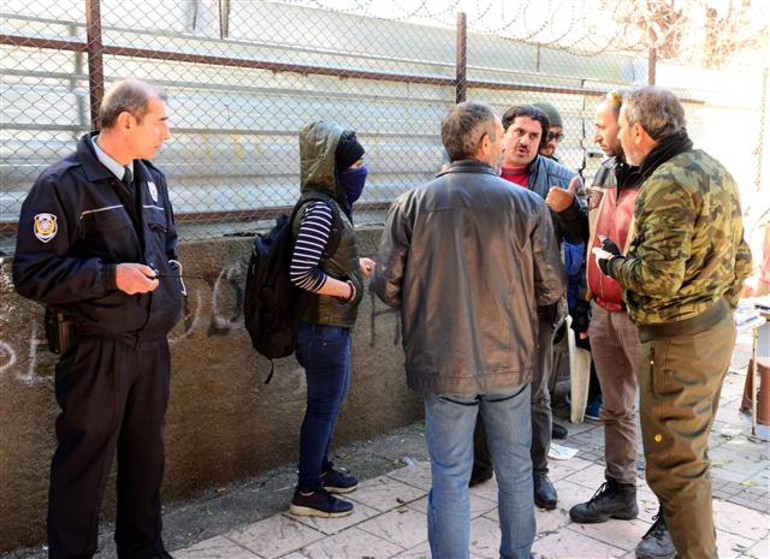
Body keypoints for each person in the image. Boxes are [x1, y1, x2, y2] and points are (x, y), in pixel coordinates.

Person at [373, 101, 564, 559]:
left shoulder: (411, 205)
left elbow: (386, 286)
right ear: (483, 143)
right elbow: (551, 287)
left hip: (443, 361)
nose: (503, 146)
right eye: (499, 137)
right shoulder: (527, 205)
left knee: (450, 475)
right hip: (510, 361)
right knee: (516, 470)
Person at [13, 78, 182, 559]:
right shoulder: (61, 185)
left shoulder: (151, 179)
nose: (167, 134)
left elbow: (168, 247)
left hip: (150, 345)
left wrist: (173, 290)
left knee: (146, 454)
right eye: (160, 122)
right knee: (83, 463)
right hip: (96, 350)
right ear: (126, 121)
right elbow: (32, 273)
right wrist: (110, 277)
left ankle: (144, 549)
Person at [593, 86, 752, 559]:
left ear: (639, 132)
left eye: (623, 127)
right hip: (713, 329)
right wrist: (715, 307)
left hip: (677, 341)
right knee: (691, 457)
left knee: (674, 468)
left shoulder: (666, 182)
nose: (620, 136)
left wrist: (610, 263)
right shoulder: (713, 169)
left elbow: (658, 280)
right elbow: (741, 259)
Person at [549, 90, 675, 558]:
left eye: (605, 126)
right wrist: (567, 210)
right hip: (603, 308)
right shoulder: (603, 171)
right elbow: (589, 235)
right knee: (616, 409)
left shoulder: (665, 176)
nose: (598, 134)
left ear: (631, 127)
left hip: (646, 316)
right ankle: (621, 490)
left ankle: (673, 514)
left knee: (661, 416)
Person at [472, 104, 585, 510]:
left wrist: (567, 208)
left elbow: (580, 234)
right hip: (484, 302)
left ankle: (538, 472)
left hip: (536, 303)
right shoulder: (479, 171)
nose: (525, 141)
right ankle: (481, 463)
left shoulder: (559, 177)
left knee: (535, 393)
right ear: (502, 135)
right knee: (483, 385)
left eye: (534, 136)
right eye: (519, 132)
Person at [287, 121, 376, 519]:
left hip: (329, 328)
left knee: (329, 403)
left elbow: (327, 257)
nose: (361, 171)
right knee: (322, 408)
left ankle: (321, 470)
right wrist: (347, 290)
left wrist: (355, 266)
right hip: (322, 330)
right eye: (354, 165)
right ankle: (307, 492)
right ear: (332, 168)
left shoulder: (329, 204)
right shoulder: (321, 208)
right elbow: (302, 272)